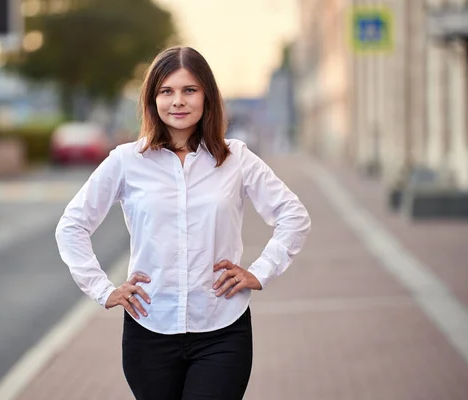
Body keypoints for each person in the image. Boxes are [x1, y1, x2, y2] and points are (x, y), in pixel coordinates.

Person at [55, 46, 311, 400]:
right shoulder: (127, 161)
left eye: (189, 90)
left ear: (207, 95)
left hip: (222, 329)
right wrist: (103, 289)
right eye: (166, 91)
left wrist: (261, 270)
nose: (178, 101)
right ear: (152, 99)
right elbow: (71, 226)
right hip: (149, 331)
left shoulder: (236, 158)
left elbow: (293, 216)